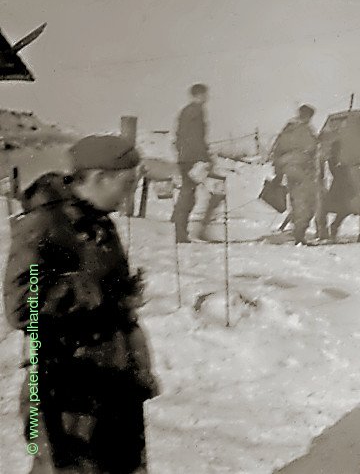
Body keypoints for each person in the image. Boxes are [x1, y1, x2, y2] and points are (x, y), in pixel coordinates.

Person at [2, 135, 159, 473]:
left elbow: (100, 295)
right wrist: (97, 291)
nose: (130, 192)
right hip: (68, 389)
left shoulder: (100, 221)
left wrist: (124, 294)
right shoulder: (43, 223)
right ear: (100, 177)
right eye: (127, 183)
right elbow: (21, 308)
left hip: (112, 382)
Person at [171, 83, 222, 243]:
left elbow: (181, 137)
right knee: (212, 190)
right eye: (204, 94)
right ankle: (186, 231)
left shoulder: (186, 111)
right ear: (198, 95)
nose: (207, 97)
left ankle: (181, 229)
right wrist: (204, 157)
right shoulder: (196, 111)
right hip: (193, 159)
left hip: (186, 157)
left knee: (189, 193)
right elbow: (195, 137)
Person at [270, 104, 320, 245]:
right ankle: (299, 235)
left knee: (296, 201)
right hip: (303, 170)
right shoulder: (305, 131)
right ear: (309, 116)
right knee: (308, 202)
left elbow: (277, 151)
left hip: (288, 169)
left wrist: (278, 174)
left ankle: (298, 232)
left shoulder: (287, 130)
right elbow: (312, 149)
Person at [324, 114, 360, 243]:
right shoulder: (349, 139)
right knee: (354, 206)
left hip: (359, 175)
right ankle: (339, 227)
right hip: (353, 176)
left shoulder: (352, 138)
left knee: (359, 207)